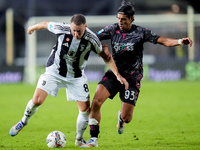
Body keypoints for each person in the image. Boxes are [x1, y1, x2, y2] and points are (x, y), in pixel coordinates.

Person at [81, 1, 193, 147]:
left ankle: (121, 119)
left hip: (132, 78)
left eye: (124, 20)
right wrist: (91, 40)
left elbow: (162, 40)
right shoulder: (112, 29)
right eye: (119, 19)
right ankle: (93, 139)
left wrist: (179, 41)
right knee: (96, 102)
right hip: (114, 74)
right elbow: (93, 38)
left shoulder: (141, 32)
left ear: (132, 19)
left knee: (127, 118)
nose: (120, 22)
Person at [9, 14, 128, 147]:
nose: (76, 34)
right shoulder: (62, 28)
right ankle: (23, 122)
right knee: (37, 100)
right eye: (74, 30)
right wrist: (32, 27)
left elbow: (106, 56)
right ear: (70, 27)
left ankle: (79, 139)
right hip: (54, 71)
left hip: (76, 77)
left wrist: (117, 74)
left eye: (79, 31)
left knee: (85, 110)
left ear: (85, 27)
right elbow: (46, 23)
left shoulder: (91, 38)